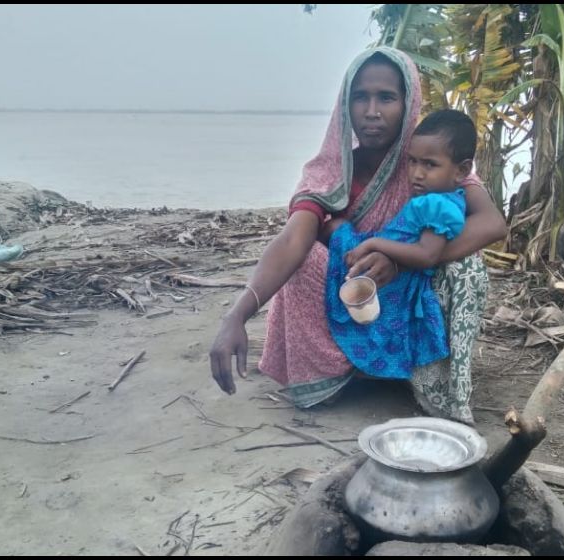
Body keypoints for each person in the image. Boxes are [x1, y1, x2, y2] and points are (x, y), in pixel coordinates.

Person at [208, 46, 505, 424]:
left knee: (467, 266)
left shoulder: (427, 159)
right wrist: (237, 315)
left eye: (386, 97)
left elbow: (491, 223)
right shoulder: (330, 169)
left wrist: (399, 258)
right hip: (353, 288)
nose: (372, 111)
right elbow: (291, 240)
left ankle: (426, 376)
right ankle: (339, 372)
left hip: (407, 281)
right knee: (305, 261)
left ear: (409, 102)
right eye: (360, 97)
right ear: (344, 105)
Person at [324, 109, 478, 382]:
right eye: (412, 162)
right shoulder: (433, 199)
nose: (417, 173)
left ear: (462, 171)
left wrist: (374, 243)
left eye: (429, 164)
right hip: (388, 252)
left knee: (338, 234)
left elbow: (427, 255)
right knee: (335, 230)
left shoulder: (439, 205)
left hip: (400, 274)